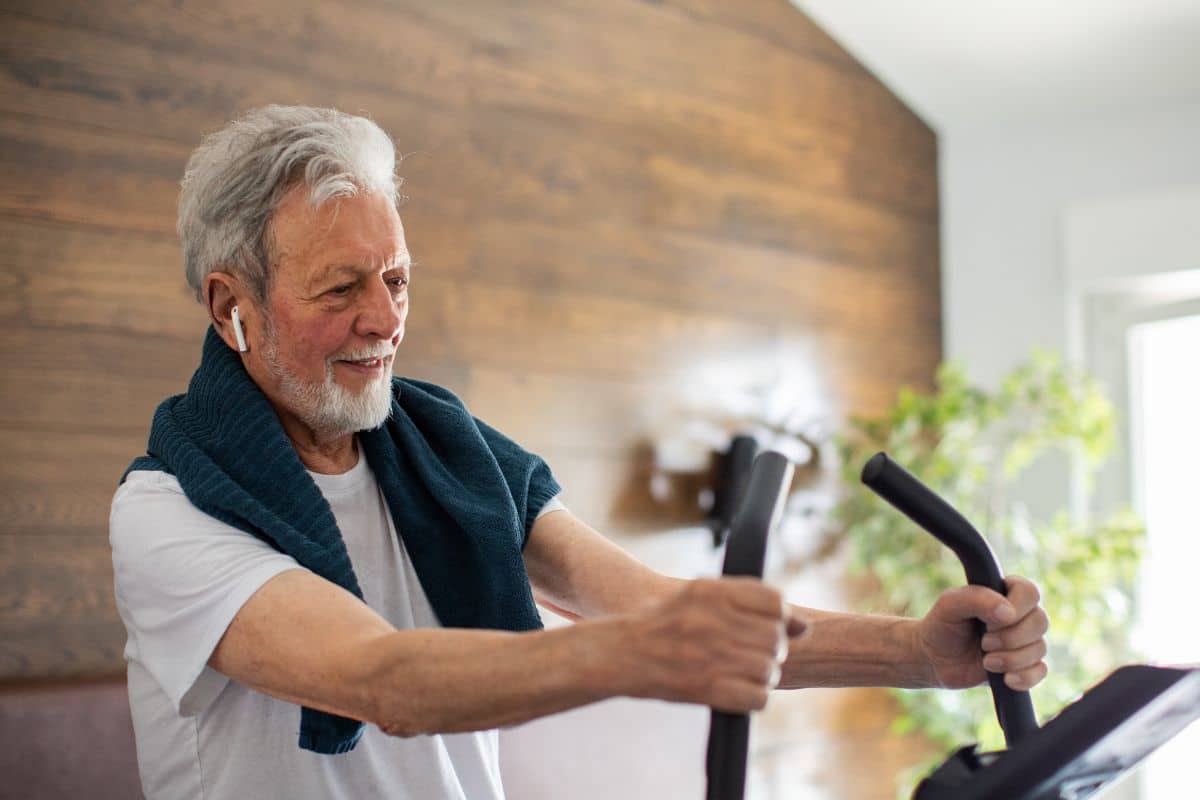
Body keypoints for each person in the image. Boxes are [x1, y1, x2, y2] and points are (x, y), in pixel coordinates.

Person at [109, 105, 1049, 800]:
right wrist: (639, 656)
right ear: (232, 308)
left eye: (397, 278)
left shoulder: (449, 452)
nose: (386, 318)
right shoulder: (168, 510)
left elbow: (656, 605)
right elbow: (383, 680)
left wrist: (920, 652)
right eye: (341, 288)